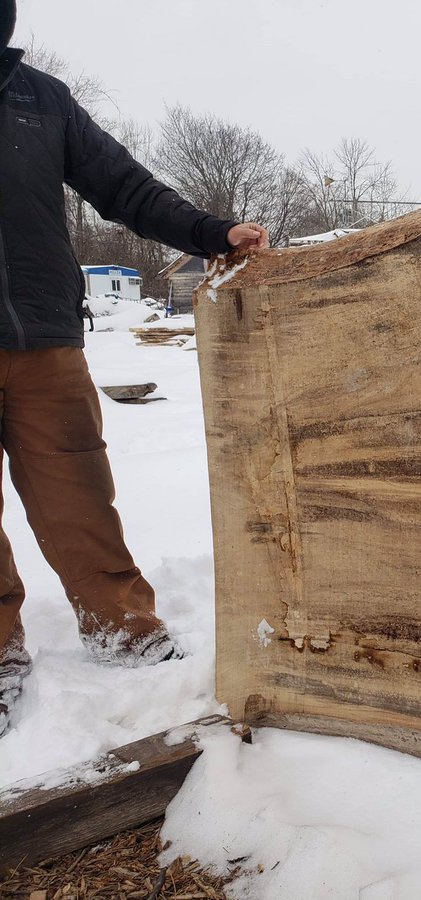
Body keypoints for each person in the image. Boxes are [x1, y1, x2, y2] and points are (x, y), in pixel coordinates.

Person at [0, 0, 268, 737]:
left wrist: (208, 230)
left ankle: (122, 627)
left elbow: (123, 185)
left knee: (79, 491)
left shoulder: (39, 100)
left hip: (44, 337)